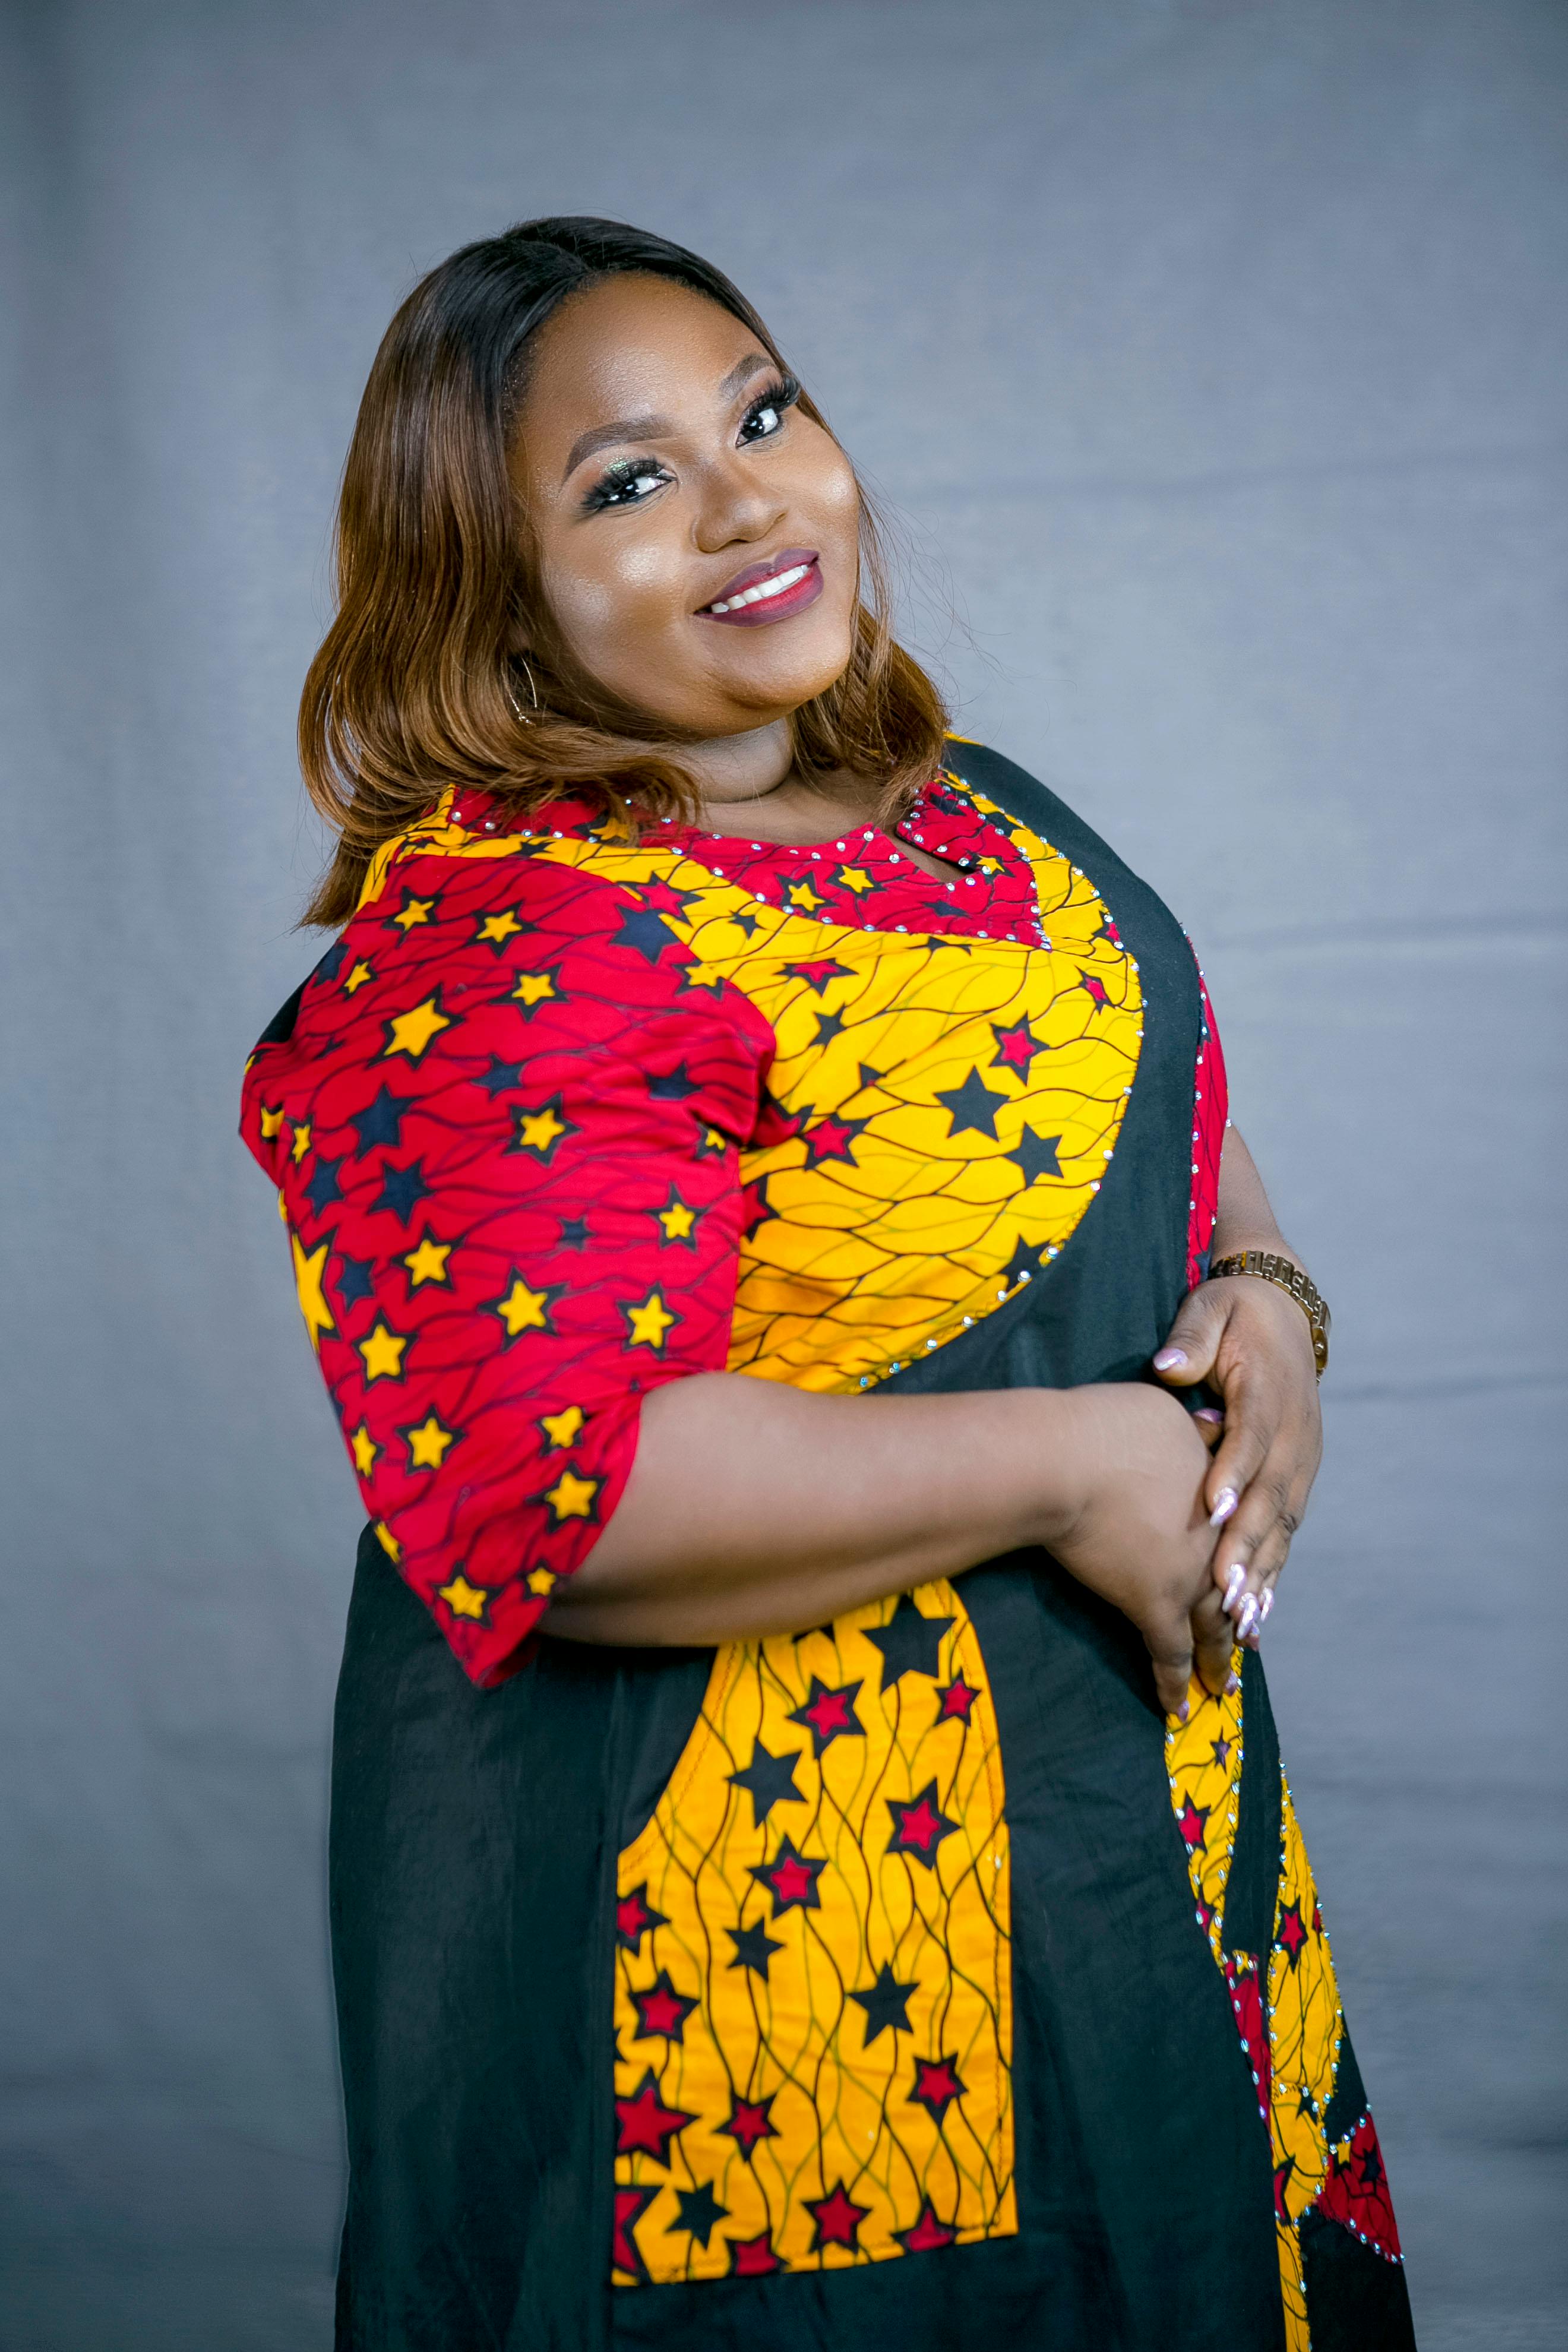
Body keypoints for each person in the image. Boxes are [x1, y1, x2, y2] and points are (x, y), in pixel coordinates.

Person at [241, 218, 1415, 2352]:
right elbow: (557, 1496)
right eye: (627, 481)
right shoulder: (501, 950)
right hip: (765, 1955)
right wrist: (1078, 1460)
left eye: (764, 413)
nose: (747, 497)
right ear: (492, 599)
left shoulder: (969, 818)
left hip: (1131, 1845)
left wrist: (1265, 1294)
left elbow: (1152, 1102)